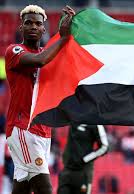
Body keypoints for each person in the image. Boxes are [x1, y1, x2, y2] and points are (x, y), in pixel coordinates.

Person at [4, 5, 75, 194]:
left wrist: (73, 30)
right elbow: (40, 61)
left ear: (44, 29)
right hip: (23, 128)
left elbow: (67, 64)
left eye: (38, 23)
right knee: (45, 188)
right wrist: (63, 37)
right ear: (21, 28)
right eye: (28, 23)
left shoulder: (47, 52)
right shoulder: (14, 51)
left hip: (44, 131)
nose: (33, 27)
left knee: (23, 187)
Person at [58, 124, 109, 194]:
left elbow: (104, 147)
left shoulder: (96, 123)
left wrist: (85, 159)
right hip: (67, 169)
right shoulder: (74, 117)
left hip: (84, 171)